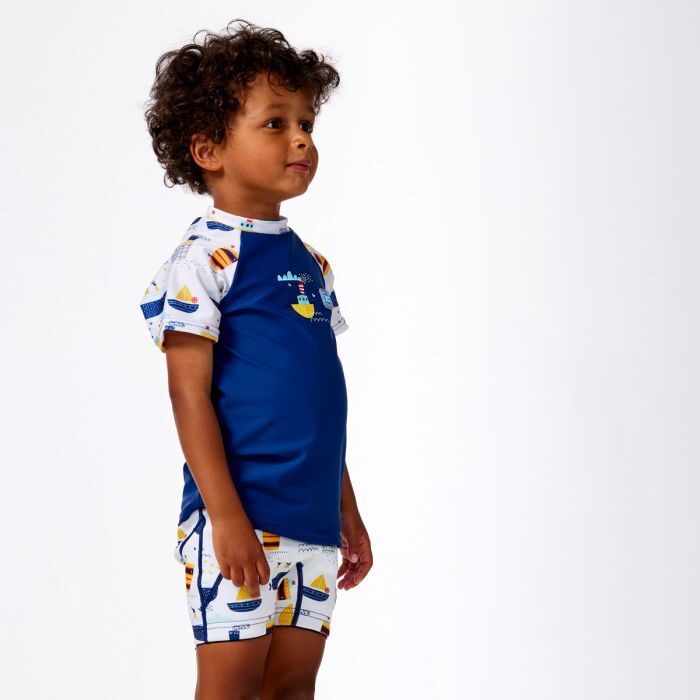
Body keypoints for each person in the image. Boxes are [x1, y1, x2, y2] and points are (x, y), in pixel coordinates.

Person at [138, 19, 373, 699]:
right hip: (240, 519)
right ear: (208, 149)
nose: (301, 139)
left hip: (312, 524)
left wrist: (347, 509)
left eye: (306, 123)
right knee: (232, 687)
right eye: (276, 123)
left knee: (293, 686)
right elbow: (188, 396)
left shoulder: (312, 265)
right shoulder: (203, 260)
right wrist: (227, 518)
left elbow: (318, 400)